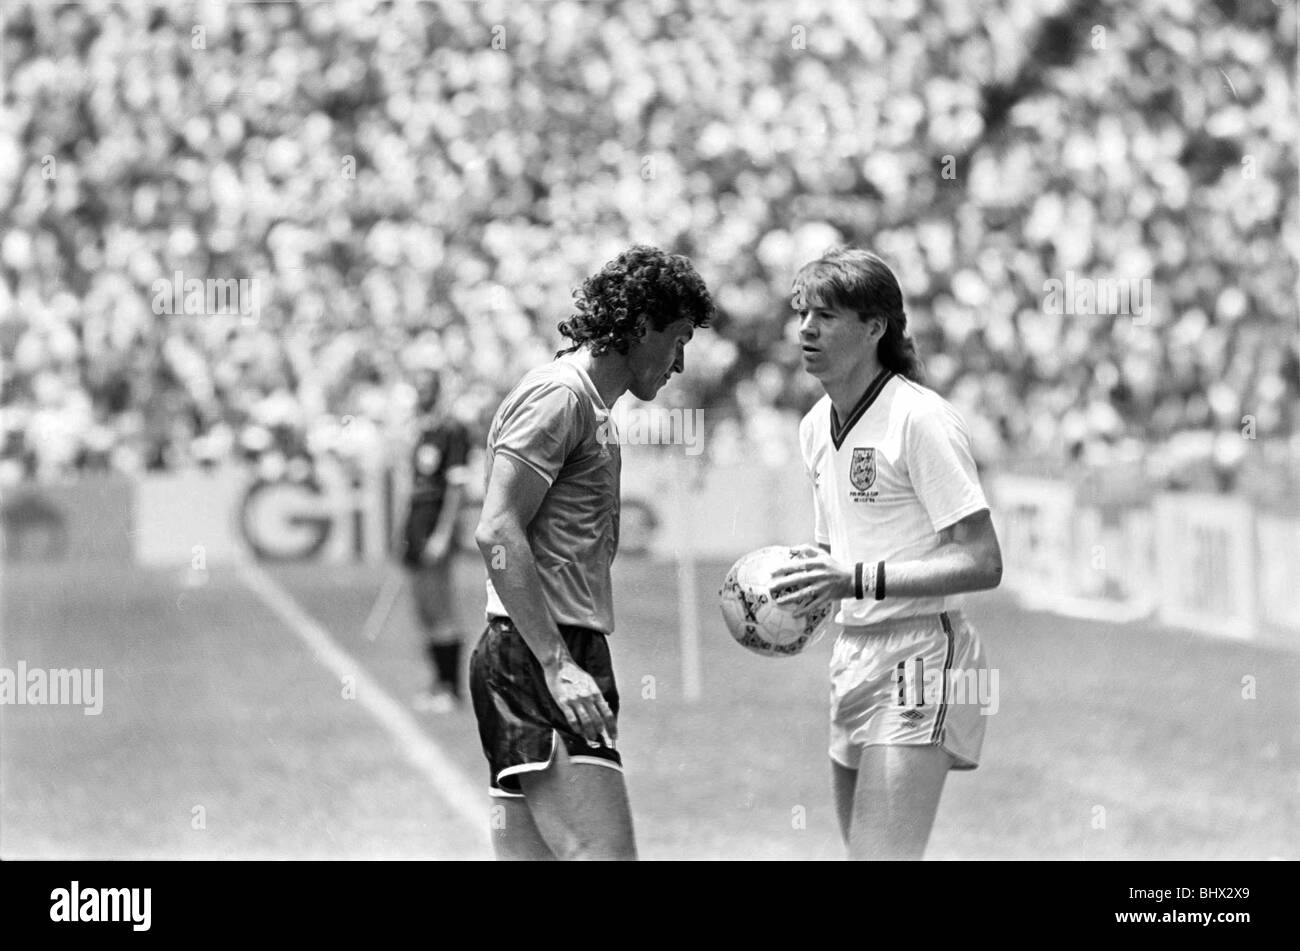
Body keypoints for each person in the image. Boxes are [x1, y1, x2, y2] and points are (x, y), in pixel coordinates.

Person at [471, 245, 712, 860]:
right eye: (677, 338)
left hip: (532, 648)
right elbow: (498, 531)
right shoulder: (563, 398)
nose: (680, 363)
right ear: (637, 327)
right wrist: (556, 663)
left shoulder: (587, 405)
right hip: (542, 650)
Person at [771, 247, 1003, 861]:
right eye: (803, 314)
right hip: (853, 653)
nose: (807, 330)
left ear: (875, 327)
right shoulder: (815, 425)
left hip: (922, 651)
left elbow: (983, 560)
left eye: (827, 315)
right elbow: (834, 553)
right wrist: (791, 596)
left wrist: (854, 577)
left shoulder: (919, 419)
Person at [402, 369, 472, 713]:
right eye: (418, 387)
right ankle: (437, 683)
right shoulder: (421, 430)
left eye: (427, 387)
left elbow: (457, 488)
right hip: (415, 526)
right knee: (424, 611)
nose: (421, 393)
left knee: (441, 608)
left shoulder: (452, 431)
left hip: (434, 526)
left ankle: (452, 688)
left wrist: (443, 533)